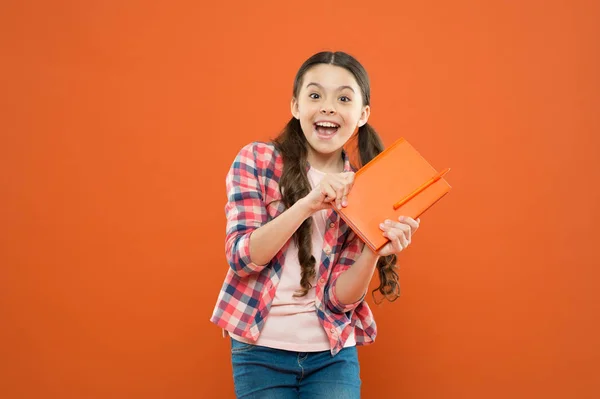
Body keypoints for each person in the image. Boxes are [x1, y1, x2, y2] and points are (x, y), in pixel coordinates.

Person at [210, 50, 420, 398]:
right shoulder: (257, 160)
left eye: (343, 98)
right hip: (259, 350)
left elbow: (341, 302)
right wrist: (308, 204)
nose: (327, 107)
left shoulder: (366, 187)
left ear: (363, 114)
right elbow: (241, 257)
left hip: (333, 354)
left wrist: (373, 248)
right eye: (315, 95)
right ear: (295, 106)